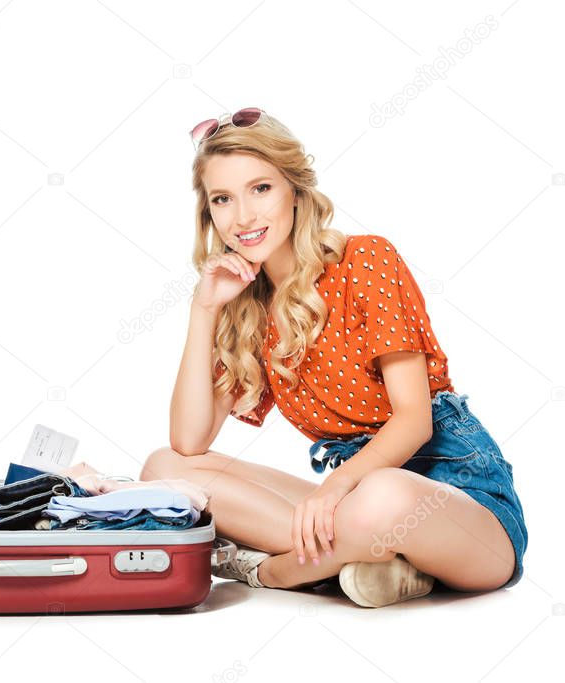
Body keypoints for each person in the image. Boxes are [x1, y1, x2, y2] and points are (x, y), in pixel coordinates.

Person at [140, 108, 527, 608]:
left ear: (295, 192)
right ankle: (376, 562)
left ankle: (275, 572)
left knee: (383, 495)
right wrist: (204, 308)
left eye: (261, 189)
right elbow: (187, 442)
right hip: (352, 506)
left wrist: (332, 492)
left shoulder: (365, 260)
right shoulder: (250, 307)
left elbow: (414, 423)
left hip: (461, 508)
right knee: (164, 470)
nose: (244, 217)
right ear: (209, 213)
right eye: (223, 199)